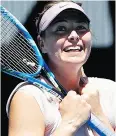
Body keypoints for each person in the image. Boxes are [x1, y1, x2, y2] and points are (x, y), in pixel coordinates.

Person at [6, 1, 116, 136]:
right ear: (42, 43)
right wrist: (70, 123)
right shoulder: (29, 97)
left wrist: (98, 114)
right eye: (61, 29)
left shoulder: (111, 90)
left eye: (81, 27)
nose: (74, 35)